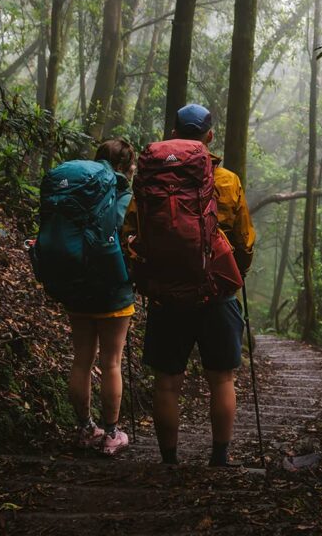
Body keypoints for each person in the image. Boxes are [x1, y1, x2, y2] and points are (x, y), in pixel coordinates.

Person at [123, 104, 255, 466]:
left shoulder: (150, 181)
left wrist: (147, 274)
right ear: (209, 136)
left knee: (167, 381)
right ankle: (219, 458)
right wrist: (234, 273)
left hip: (166, 292)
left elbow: (130, 232)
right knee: (222, 378)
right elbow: (243, 241)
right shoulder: (225, 181)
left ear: (172, 132)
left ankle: (168, 461)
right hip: (216, 292)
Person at [66, 138, 136, 456]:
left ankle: (83, 429)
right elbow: (122, 233)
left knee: (82, 359)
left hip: (77, 285)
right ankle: (110, 433)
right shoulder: (123, 193)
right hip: (112, 289)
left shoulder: (79, 188)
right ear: (125, 166)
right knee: (111, 363)